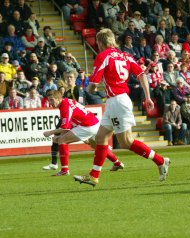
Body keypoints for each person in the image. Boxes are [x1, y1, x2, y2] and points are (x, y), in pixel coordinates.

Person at [74, 28, 170, 187]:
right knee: (101, 138)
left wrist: (88, 91)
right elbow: (141, 75)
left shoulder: (103, 56)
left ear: (101, 42)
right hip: (117, 101)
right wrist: (147, 97)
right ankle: (94, 176)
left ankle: (161, 161)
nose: (97, 46)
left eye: (97, 43)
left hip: (117, 101)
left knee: (126, 142)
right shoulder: (126, 56)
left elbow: (93, 84)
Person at [43, 90, 124, 176]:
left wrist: (50, 132)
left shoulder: (64, 106)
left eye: (52, 100)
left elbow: (65, 127)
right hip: (94, 123)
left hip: (87, 126)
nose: (50, 102)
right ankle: (117, 163)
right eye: (49, 100)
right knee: (98, 146)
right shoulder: (66, 101)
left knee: (62, 141)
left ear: (58, 98)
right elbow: (71, 122)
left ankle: (64, 170)